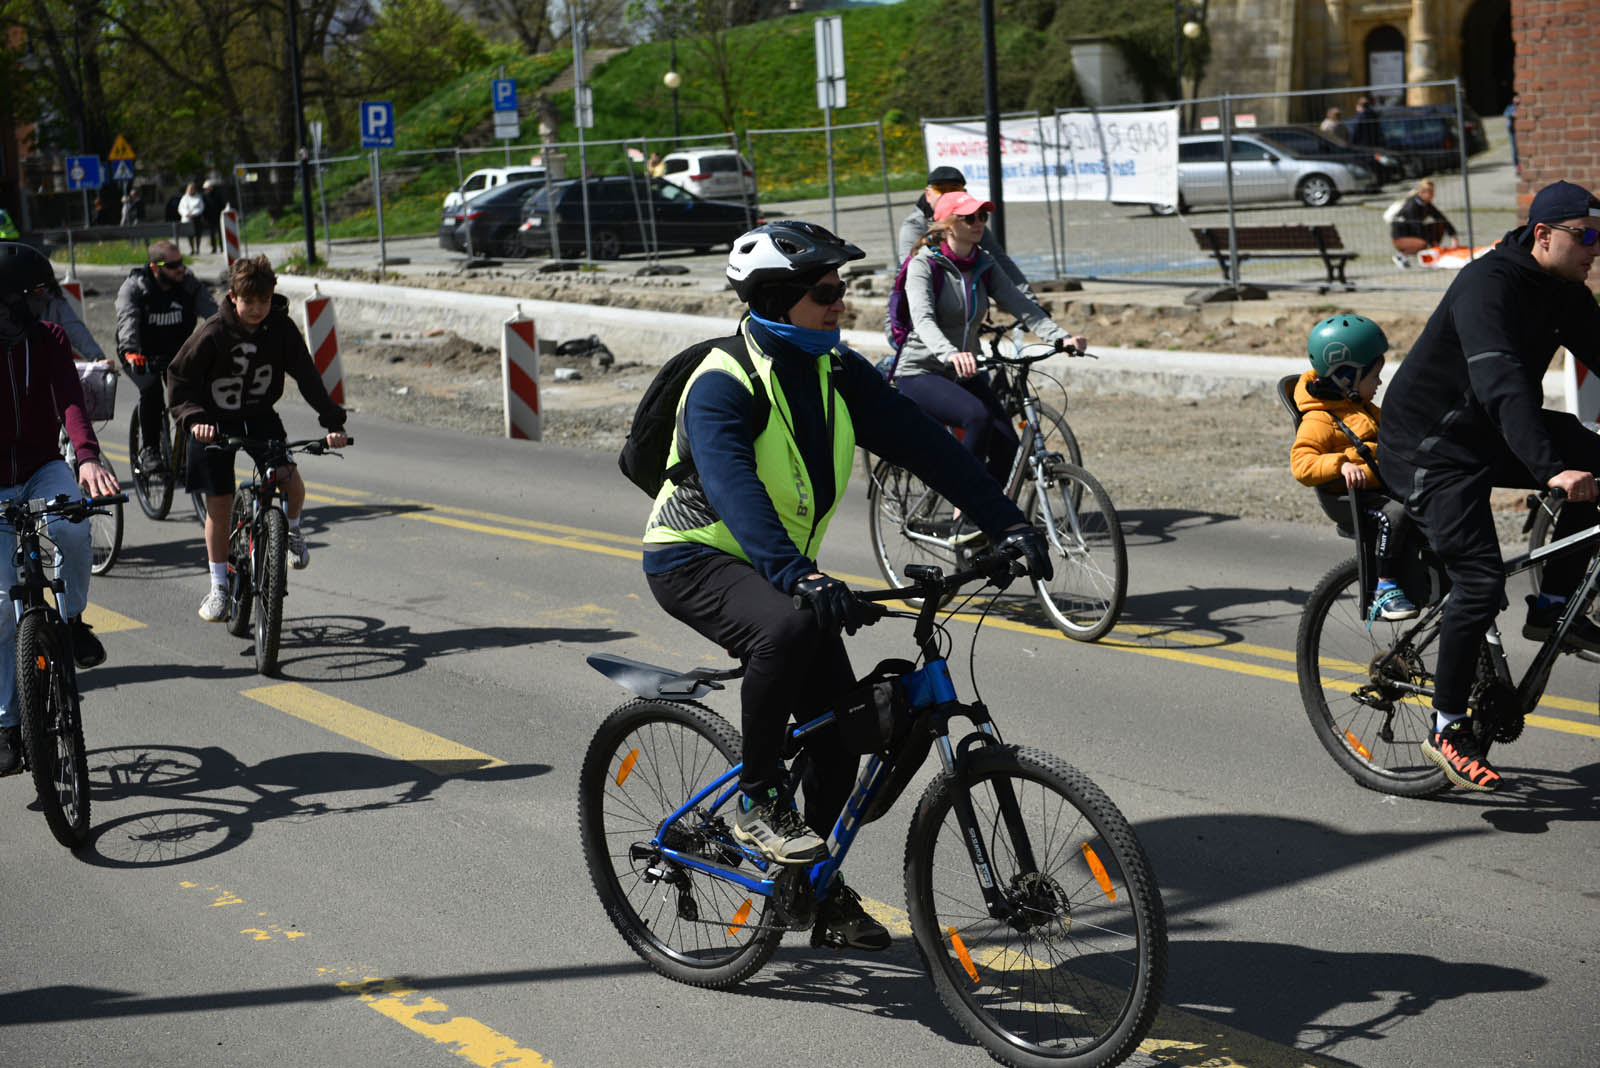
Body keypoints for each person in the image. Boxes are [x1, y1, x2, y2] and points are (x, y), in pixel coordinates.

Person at [641, 219, 1054, 951]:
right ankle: (760, 800)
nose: (841, 302)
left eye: (844, 288)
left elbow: (923, 444)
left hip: (779, 568)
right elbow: (737, 490)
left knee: (838, 744)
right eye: (825, 290)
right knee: (789, 627)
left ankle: (813, 892)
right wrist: (798, 575)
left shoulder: (835, 370)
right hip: (695, 558)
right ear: (775, 297)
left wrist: (1008, 523)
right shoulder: (721, 384)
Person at [1378, 179, 1600, 793]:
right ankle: (1447, 726)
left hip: (1490, 431)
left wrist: (1558, 459)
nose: (1595, 250)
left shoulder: (1565, 291)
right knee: (1478, 578)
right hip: (1429, 445)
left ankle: (1556, 603)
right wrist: (1550, 468)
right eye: (1586, 237)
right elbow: (1500, 379)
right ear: (1544, 235)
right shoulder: (1487, 286)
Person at [166, 255, 347, 621]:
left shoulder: (280, 329)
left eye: (264, 301)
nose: (257, 309)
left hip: (260, 417)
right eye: (249, 301)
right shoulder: (213, 332)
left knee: (290, 483)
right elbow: (179, 381)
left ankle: (292, 532)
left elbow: (308, 377)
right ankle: (218, 587)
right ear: (233, 297)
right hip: (210, 422)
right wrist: (193, 419)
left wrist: (333, 422)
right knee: (219, 505)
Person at [0, 242, 121, 773]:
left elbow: (71, 401)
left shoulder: (47, 340)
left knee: (73, 527)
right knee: (1, 611)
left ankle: (71, 621)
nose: (40, 305)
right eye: (29, 296)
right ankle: (6, 722)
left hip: (43, 468)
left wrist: (88, 460)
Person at [894, 190, 1085, 491]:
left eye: (982, 216)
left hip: (965, 370)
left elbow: (1021, 305)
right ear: (947, 224)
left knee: (1007, 444)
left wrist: (1060, 338)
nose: (978, 222)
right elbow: (923, 319)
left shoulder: (983, 262)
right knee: (977, 417)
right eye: (969, 217)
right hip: (921, 370)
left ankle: (987, 516)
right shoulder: (924, 265)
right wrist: (949, 353)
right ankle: (963, 502)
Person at [1290, 314, 1417, 621]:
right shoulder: (1319, 419)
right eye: (1374, 376)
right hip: (1351, 499)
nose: (1379, 383)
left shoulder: (1358, 407)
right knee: (1395, 517)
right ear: (1346, 378)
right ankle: (1384, 589)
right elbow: (1301, 464)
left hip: (1378, 485)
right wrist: (1341, 464)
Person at [115, 240, 218, 474]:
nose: (180, 268)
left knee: (193, 393)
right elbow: (127, 319)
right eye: (172, 265)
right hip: (139, 354)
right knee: (151, 391)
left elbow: (214, 315)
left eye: (181, 262)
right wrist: (132, 351)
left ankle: (185, 454)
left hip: (176, 354)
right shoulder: (135, 287)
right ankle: (149, 450)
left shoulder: (188, 284)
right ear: (155, 267)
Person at [895, 166, 1033, 298]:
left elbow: (1001, 261)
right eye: (941, 189)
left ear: (964, 193)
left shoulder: (972, 222)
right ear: (928, 194)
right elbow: (908, 275)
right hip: (920, 300)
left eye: (954, 189)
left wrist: (1030, 301)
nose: (947, 195)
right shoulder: (913, 226)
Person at [1388, 178, 1459, 269]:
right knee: (1422, 244)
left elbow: (1441, 218)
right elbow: (1416, 228)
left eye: (1433, 192)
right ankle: (1401, 255)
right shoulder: (1412, 205)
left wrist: (1453, 236)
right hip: (1401, 237)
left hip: (1415, 231)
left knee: (1439, 225)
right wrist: (1433, 243)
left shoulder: (1426, 204)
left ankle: (1433, 250)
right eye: (1430, 193)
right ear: (1421, 193)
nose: (1433, 195)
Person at [177, 182, 205, 256]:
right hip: (187, 219)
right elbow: (180, 208)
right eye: (189, 189)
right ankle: (192, 249)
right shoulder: (184, 198)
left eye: (192, 189)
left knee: (198, 234)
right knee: (189, 235)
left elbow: (201, 208)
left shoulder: (198, 197)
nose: (190, 190)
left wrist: (194, 213)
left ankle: (197, 249)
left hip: (196, 218)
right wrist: (186, 214)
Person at [202, 180, 224, 254]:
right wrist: (205, 217)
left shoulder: (217, 194)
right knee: (212, 234)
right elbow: (203, 208)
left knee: (220, 233)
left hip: (218, 216)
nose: (207, 189)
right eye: (206, 188)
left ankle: (222, 247)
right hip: (209, 218)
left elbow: (222, 205)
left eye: (208, 188)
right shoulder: (204, 196)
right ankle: (214, 248)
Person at [1504, 93, 1520, 175]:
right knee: (1514, 150)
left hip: (1520, 131)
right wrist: (1512, 114)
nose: (1517, 99)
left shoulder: (1523, 107)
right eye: (1515, 97)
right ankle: (1517, 166)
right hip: (1512, 131)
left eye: (1518, 97)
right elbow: (1506, 114)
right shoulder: (1510, 107)